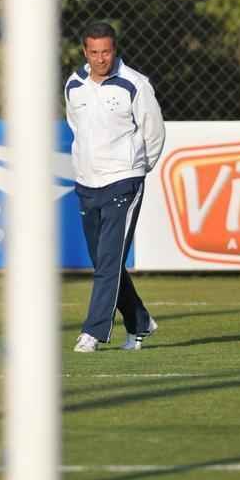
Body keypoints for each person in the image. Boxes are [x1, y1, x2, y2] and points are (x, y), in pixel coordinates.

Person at [65, 21, 166, 352]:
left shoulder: (135, 84)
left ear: (114, 50)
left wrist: (138, 167)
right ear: (85, 52)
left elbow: (154, 132)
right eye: (94, 52)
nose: (100, 58)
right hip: (86, 184)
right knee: (104, 261)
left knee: (109, 261)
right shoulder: (74, 85)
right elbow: (76, 127)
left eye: (105, 51)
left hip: (124, 181)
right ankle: (139, 322)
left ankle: (92, 332)